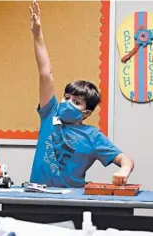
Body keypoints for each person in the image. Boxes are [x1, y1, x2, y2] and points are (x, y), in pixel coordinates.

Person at [28, 0, 134, 188]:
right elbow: (45, 73)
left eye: (76, 102)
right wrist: (37, 33)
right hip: (37, 193)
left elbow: (125, 159)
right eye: (67, 97)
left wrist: (123, 170)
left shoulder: (92, 136)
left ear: (86, 113)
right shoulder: (50, 113)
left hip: (72, 198)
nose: (68, 103)